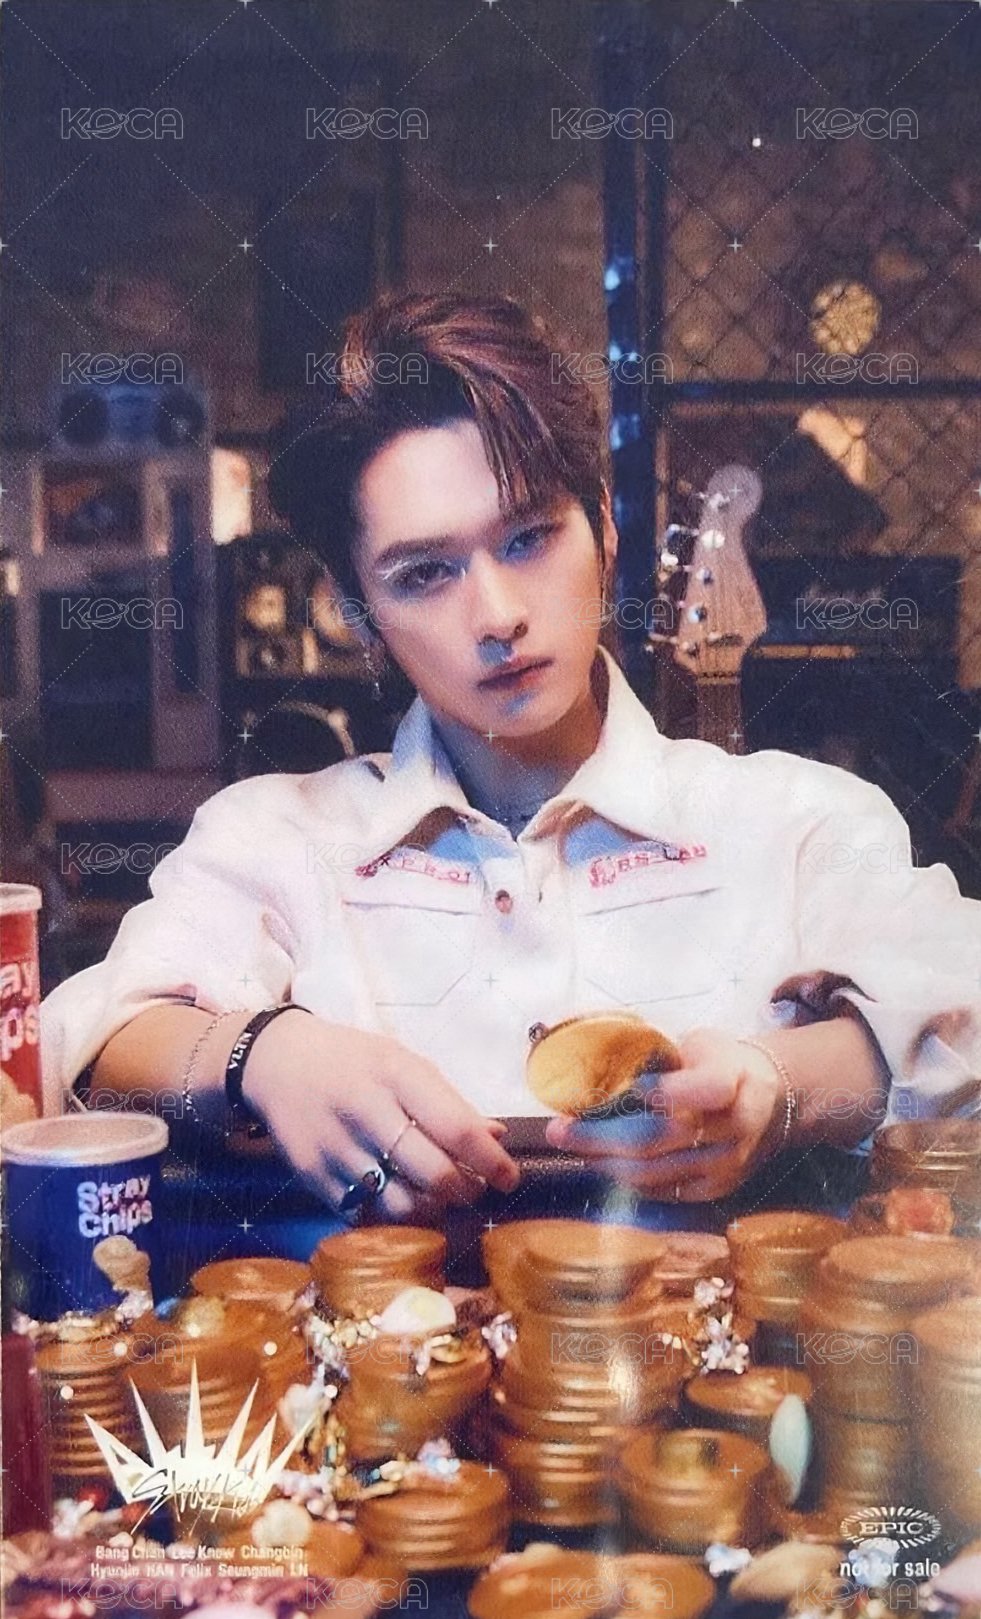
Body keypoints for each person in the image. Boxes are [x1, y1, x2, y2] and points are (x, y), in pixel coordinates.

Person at [40, 292, 981, 1223]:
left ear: (604, 530)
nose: (497, 615)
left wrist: (783, 1087)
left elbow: (963, 1018)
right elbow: (96, 1043)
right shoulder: (279, 837)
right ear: (357, 610)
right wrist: (263, 1054)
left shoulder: (798, 823)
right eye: (424, 572)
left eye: (529, 538)